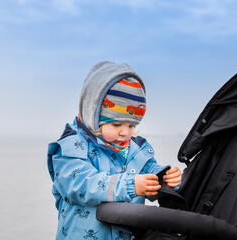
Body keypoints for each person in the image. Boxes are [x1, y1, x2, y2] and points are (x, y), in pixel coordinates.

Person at [47, 61, 182, 240]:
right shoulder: (71, 147)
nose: (125, 132)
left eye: (132, 125)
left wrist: (165, 178)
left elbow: (148, 173)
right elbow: (80, 185)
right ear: (93, 116)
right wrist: (130, 185)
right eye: (116, 124)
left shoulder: (136, 149)